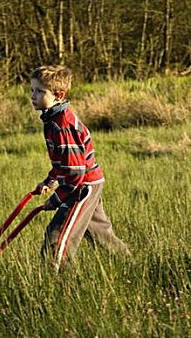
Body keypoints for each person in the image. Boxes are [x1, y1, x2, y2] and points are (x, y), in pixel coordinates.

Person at [30, 65, 132, 271]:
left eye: (40, 91)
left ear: (59, 95)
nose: (33, 95)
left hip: (82, 187)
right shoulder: (52, 120)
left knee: (58, 236)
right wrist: (50, 181)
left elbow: (76, 172)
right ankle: (131, 266)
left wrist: (56, 199)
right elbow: (64, 162)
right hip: (87, 182)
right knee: (100, 233)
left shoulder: (62, 125)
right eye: (32, 90)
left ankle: (58, 282)